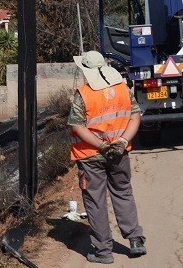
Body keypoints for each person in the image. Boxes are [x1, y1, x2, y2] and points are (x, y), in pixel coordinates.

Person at [69, 50, 146, 264]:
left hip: (91, 155)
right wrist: (122, 141)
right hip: (119, 153)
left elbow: (77, 126)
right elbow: (135, 116)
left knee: (95, 200)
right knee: (123, 192)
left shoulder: (83, 94)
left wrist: (101, 145)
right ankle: (135, 240)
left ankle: (103, 252)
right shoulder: (123, 89)